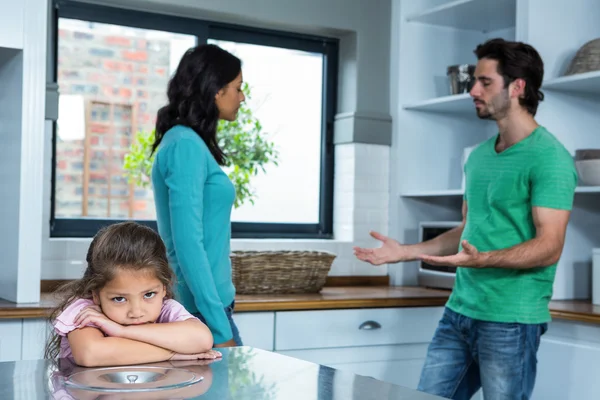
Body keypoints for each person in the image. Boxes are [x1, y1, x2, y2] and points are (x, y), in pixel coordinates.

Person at [354, 38, 578, 400]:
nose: (472, 90)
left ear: (517, 87)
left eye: (485, 82)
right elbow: (467, 231)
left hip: (511, 320)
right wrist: (405, 252)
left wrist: (482, 260)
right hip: (459, 312)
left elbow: (549, 246)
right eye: (475, 81)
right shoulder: (479, 158)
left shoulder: (549, 158)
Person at [150, 44, 246, 348]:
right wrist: (219, 328)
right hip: (202, 314)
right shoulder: (184, 145)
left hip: (207, 309)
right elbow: (188, 243)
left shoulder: (188, 143)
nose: (242, 97)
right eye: (238, 88)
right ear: (216, 90)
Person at [44, 221, 221, 367]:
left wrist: (121, 331)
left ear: (164, 288)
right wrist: (173, 352)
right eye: (119, 299)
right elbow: (91, 354)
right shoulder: (85, 310)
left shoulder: (165, 307)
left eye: (149, 294)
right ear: (96, 294)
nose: (136, 312)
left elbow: (203, 339)